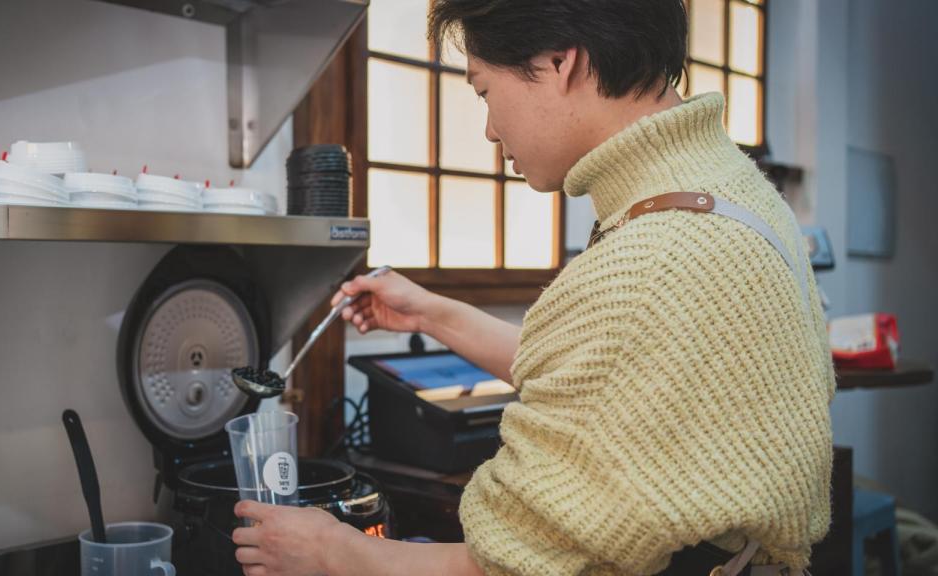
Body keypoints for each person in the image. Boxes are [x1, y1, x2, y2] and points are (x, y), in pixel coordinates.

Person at [231, 0, 835, 574]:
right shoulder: (736, 191)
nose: (490, 130)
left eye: (484, 90)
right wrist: (432, 315)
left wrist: (333, 553)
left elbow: (517, 564)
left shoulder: (649, 265)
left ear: (558, 61)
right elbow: (614, 379)